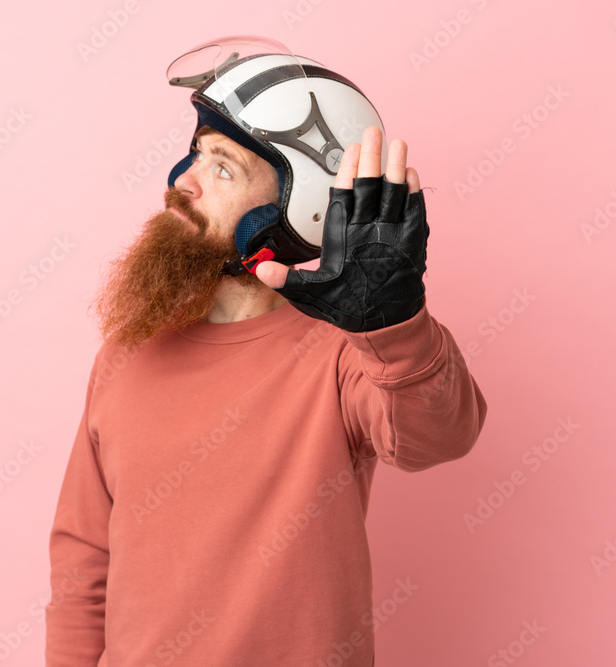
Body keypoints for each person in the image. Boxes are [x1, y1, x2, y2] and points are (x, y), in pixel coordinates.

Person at [45, 36, 487, 667]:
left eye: (223, 168)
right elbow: (83, 561)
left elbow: (439, 438)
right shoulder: (127, 348)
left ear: (296, 210)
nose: (182, 183)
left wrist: (398, 326)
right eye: (195, 155)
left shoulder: (347, 353)